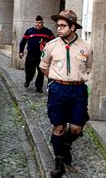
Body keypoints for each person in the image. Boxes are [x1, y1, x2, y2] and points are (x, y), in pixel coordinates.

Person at [39, 10, 93, 178]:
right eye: (58, 26)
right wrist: (56, 81)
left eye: (63, 26)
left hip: (78, 90)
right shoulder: (52, 45)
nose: (59, 29)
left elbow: (88, 67)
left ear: (73, 27)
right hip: (58, 90)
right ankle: (59, 160)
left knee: (76, 128)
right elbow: (43, 65)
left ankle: (67, 144)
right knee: (59, 126)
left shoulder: (86, 47)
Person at [19, 15, 55, 93]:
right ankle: (28, 80)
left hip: (42, 55)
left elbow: (54, 42)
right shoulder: (29, 31)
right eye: (37, 22)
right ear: (34, 23)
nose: (38, 24)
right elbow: (23, 42)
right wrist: (21, 51)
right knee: (29, 70)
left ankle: (39, 87)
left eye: (40, 22)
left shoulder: (48, 32)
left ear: (43, 23)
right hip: (31, 55)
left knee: (41, 72)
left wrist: (47, 45)